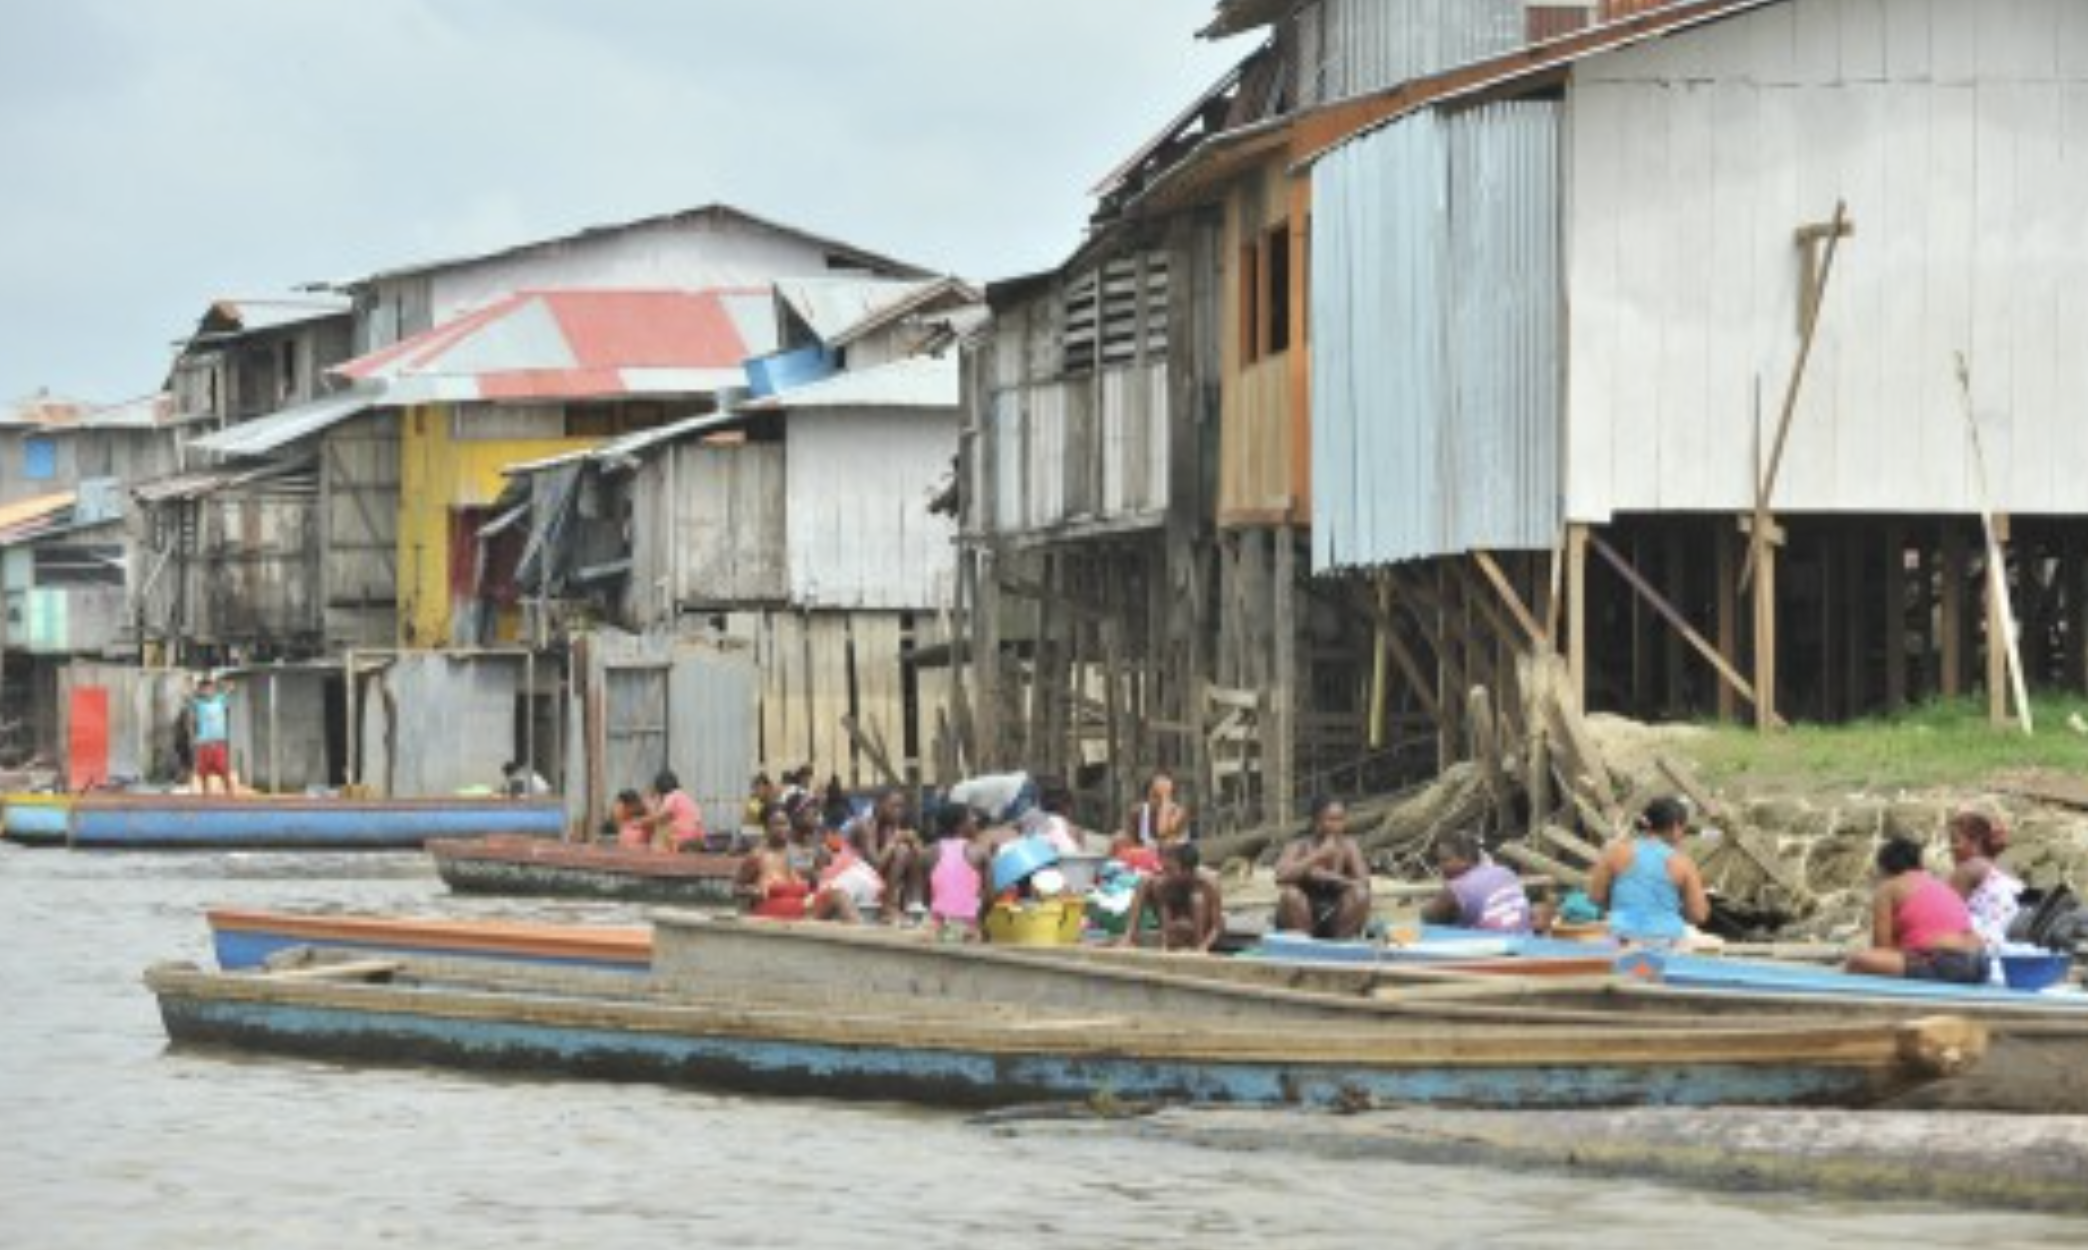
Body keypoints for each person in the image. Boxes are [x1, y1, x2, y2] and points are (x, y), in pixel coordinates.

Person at [1847, 836, 1990, 984]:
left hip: (1948, 962)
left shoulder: (1888, 888)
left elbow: (1882, 949)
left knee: (1858, 961)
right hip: (1981, 963)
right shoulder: (1940, 885)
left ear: (1884, 868)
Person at [1588, 797, 1710, 944]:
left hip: (1620, 936)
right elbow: (1698, 915)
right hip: (1665, 939)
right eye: (1684, 829)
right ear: (1676, 827)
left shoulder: (1615, 852)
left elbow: (1595, 897)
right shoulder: (1683, 863)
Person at [736, 804, 858, 923]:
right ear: (766, 828)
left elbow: (804, 882)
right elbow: (736, 888)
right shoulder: (757, 856)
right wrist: (751, 891)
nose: (783, 829)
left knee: (839, 894)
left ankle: (860, 932)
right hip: (770, 911)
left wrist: (814, 876)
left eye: (785, 824)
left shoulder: (791, 853)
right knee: (836, 897)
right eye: (777, 824)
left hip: (797, 906)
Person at [1274, 796, 1371, 940]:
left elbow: (1364, 883)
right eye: (1331, 820)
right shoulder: (1298, 846)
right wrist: (1318, 855)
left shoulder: (1348, 846)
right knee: (1290, 895)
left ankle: (1341, 945)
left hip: (1337, 915)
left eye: (1340, 820)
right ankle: (1304, 945)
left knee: (1361, 894)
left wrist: (1332, 878)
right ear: (1316, 821)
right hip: (1300, 916)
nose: (1336, 826)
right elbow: (1280, 876)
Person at [1118, 841, 1224, 952]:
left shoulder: (1209, 882)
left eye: (1171, 870)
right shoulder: (1167, 881)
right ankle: (1129, 937)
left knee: (1197, 899)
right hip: (1177, 926)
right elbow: (1164, 908)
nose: (1166, 874)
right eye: (1166, 869)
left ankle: (1198, 946)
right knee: (1146, 881)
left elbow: (1217, 927)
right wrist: (1165, 943)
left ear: (1186, 870)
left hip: (1201, 928)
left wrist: (1204, 946)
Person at [1421, 830, 1533, 934]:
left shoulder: (1458, 888)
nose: (1440, 867)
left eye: (1445, 860)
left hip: (1494, 946)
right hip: (1527, 941)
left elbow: (1428, 918)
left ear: (1466, 857)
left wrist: (1446, 890)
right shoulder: (1505, 872)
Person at [1947, 807, 2022, 956]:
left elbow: (1942, 913)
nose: (1951, 848)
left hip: (1978, 950)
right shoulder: (2002, 874)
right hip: (2004, 948)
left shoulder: (1968, 869)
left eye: (1955, 841)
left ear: (1976, 841)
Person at [846, 788, 926, 922]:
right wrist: (894, 841)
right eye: (894, 806)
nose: (899, 812)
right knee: (902, 851)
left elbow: (923, 859)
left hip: (872, 879)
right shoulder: (865, 826)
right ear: (878, 805)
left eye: (901, 807)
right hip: (853, 878)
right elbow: (875, 866)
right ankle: (888, 906)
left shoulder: (890, 827)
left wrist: (915, 843)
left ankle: (913, 904)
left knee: (909, 851)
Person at [926, 804, 992, 940]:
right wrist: (980, 920)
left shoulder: (929, 852)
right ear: (961, 825)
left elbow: (924, 896)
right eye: (972, 819)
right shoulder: (980, 852)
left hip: (937, 924)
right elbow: (990, 896)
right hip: (969, 925)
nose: (976, 822)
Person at [186, 674, 235, 796]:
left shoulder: (221, 699)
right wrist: (193, 685)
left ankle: (229, 792)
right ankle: (205, 792)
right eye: (203, 689)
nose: (207, 691)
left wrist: (218, 682)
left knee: (223, 769)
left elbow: (231, 686)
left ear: (213, 689)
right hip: (203, 741)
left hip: (219, 741)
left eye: (209, 689)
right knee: (203, 771)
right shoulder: (198, 703)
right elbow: (186, 694)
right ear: (200, 691)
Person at [1118, 770, 1189, 852]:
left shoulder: (1178, 813)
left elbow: (1164, 834)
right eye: (1156, 795)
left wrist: (1165, 810)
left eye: (1167, 795)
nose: (1160, 801)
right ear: (1147, 795)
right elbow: (1130, 841)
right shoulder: (1138, 813)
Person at [634, 770, 704, 852]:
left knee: (662, 825)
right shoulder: (683, 795)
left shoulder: (672, 796)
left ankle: (662, 849)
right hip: (697, 836)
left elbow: (659, 816)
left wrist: (640, 822)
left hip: (683, 837)